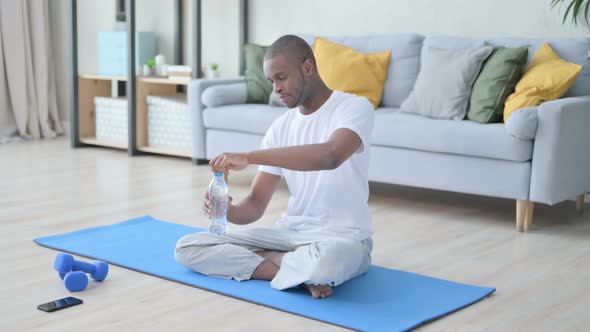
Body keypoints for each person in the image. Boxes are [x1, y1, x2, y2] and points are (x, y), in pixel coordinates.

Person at [175, 34, 375, 299]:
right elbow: (255, 206)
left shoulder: (353, 107)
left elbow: (330, 155)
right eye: (271, 81)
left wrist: (251, 157)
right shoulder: (281, 126)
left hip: (342, 239)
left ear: (307, 68)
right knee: (189, 247)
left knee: (327, 261)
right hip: (287, 236)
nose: (276, 89)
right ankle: (295, 271)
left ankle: (297, 267)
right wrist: (228, 211)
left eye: (281, 77)